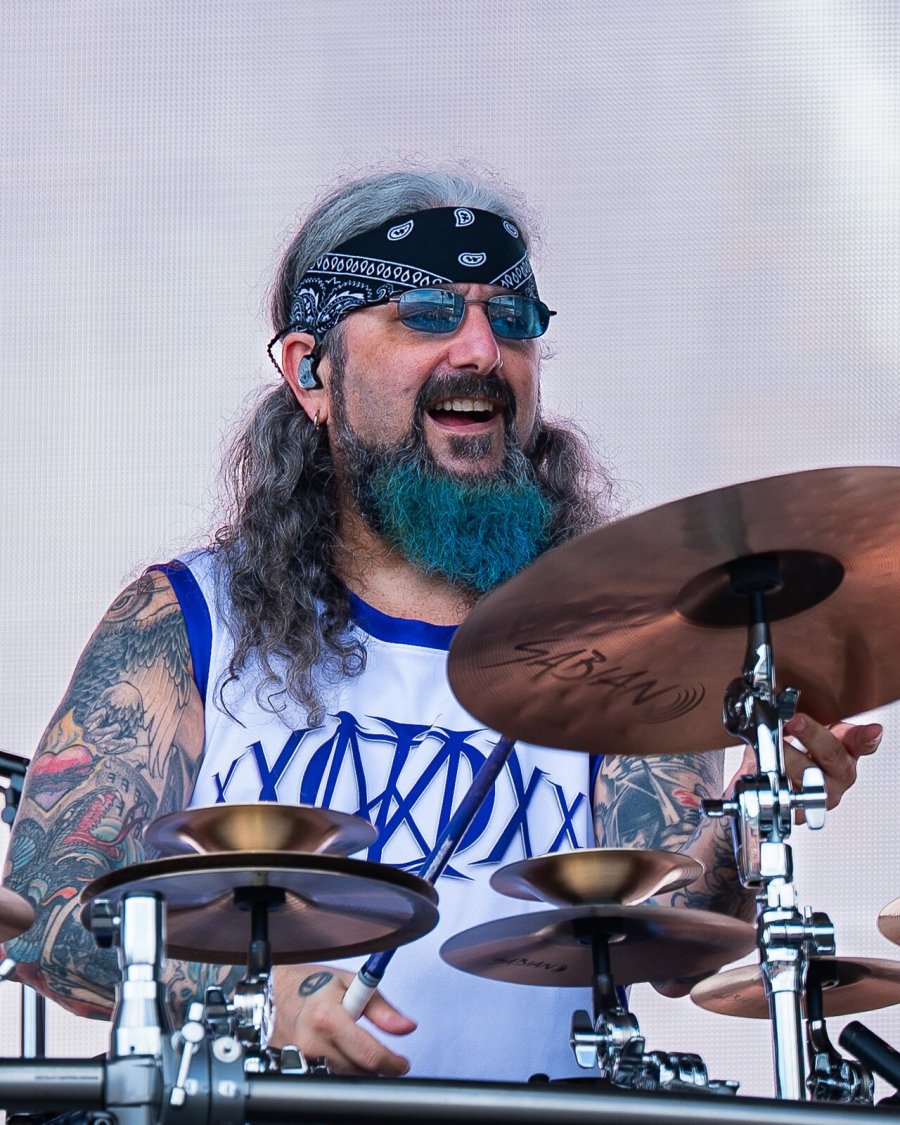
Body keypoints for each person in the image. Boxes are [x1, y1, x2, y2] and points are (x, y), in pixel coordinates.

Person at [2, 168, 881, 1082]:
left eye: (512, 319)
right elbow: (40, 910)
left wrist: (750, 824)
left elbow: (670, 932)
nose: (481, 350)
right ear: (310, 370)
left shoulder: (621, 636)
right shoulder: (188, 618)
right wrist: (257, 991)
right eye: (425, 313)